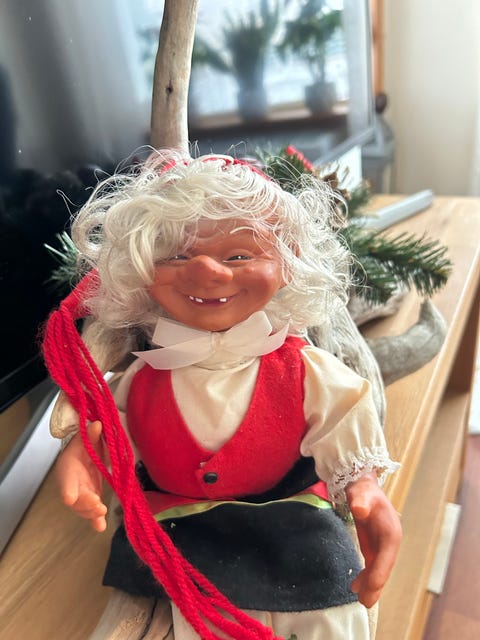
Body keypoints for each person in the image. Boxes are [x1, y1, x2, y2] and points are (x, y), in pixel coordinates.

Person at [43, 150, 401, 640]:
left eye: (239, 256)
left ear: (288, 263)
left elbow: (343, 417)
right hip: (178, 530)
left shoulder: (304, 370)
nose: (208, 272)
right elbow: (108, 429)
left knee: (330, 612)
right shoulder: (141, 379)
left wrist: (364, 485)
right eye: (177, 256)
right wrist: (84, 455)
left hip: (293, 522)